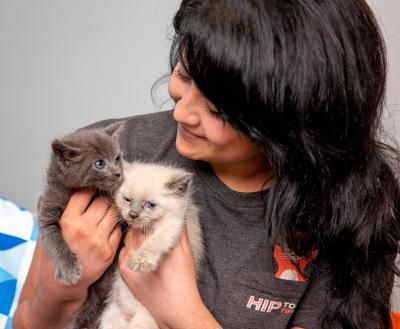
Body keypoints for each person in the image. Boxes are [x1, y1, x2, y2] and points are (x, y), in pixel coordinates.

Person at [13, 0, 400, 328]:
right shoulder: (109, 152)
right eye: (183, 73)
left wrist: (182, 313)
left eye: (217, 108)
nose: (182, 111)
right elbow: (29, 320)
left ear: (294, 121)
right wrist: (60, 288)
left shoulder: (352, 207)